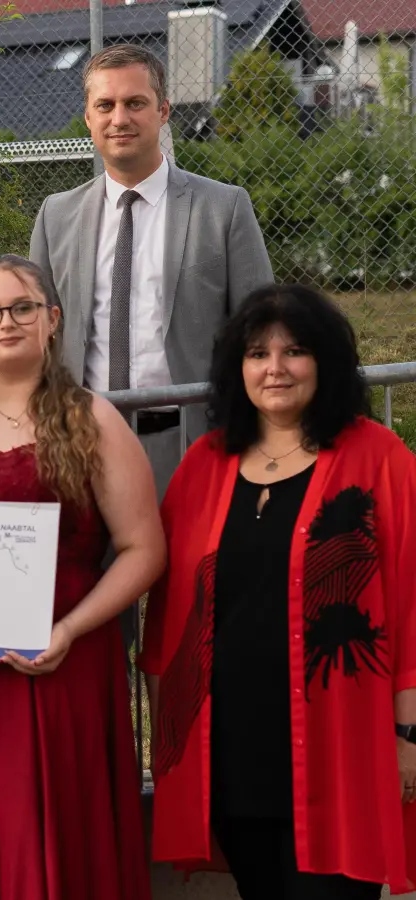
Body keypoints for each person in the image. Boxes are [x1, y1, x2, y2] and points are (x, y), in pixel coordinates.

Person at [141, 284, 416, 897]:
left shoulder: (379, 458)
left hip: (340, 745)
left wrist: (408, 737)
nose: (275, 369)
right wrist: (169, 738)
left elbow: (411, 604)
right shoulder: (204, 464)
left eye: (294, 351)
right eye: (257, 353)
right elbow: (169, 616)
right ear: (236, 368)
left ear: (325, 362)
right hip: (232, 747)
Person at [0, 255, 163, 900]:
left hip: (59, 662)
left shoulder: (91, 419)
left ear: (51, 319)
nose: (6, 323)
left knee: (52, 831)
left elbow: (143, 549)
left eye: (22, 308)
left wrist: (69, 630)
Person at [29, 44, 273, 493]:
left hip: (191, 444)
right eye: (105, 105)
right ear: (88, 117)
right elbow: (39, 336)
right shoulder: (55, 216)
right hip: (81, 446)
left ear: (163, 112)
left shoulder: (223, 209)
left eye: (135, 103)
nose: (119, 119)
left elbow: (263, 330)